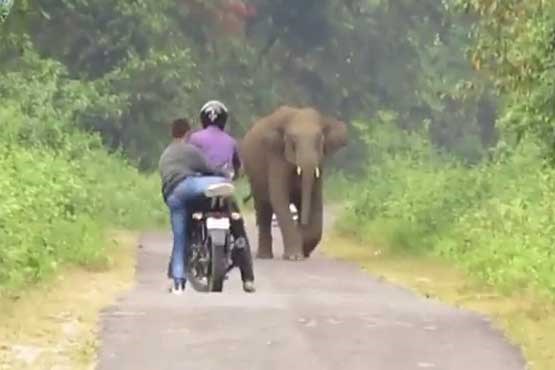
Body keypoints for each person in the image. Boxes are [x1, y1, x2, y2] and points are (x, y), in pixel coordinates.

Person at [159, 117, 234, 295]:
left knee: (180, 239)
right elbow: (209, 168)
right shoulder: (189, 150)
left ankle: (178, 283)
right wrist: (225, 174)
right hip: (189, 185)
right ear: (187, 133)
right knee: (218, 182)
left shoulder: (165, 154)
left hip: (172, 195)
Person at [188, 100, 255, 293]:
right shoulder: (231, 141)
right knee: (238, 230)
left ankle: (177, 270)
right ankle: (248, 278)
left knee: (188, 220)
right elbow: (238, 169)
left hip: (201, 189)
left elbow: (188, 162)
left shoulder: (194, 139)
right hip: (225, 190)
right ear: (224, 120)